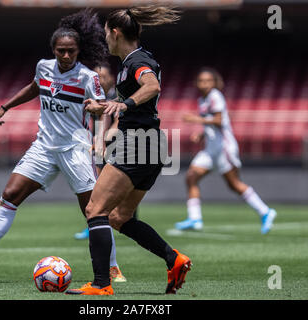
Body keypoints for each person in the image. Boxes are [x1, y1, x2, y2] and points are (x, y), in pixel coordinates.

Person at [0, 9, 126, 281]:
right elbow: (35, 87)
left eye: (71, 51)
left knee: (94, 210)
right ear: (53, 50)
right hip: (43, 147)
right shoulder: (43, 67)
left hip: (75, 149)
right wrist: (4, 107)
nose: (66, 56)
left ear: (79, 51)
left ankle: (112, 266)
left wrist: (99, 136)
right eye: (61, 51)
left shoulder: (87, 77)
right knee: (10, 194)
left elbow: (102, 108)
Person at [66, 6, 191, 296]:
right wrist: (105, 106)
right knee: (118, 217)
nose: (105, 39)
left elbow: (152, 86)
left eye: (106, 33)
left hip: (136, 144)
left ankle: (101, 284)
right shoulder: (127, 64)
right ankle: (174, 259)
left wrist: (125, 105)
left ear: (116, 32)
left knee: (95, 210)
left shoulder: (138, 60)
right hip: (152, 146)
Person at [174, 67, 277, 234]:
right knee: (191, 177)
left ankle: (265, 211)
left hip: (224, 148)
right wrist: (201, 135)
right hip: (211, 149)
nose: (204, 84)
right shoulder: (203, 100)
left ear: (214, 83)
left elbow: (219, 120)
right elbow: (212, 123)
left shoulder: (215, 96)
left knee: (234, 184)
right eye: (201, 81)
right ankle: (195, 218)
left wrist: (195, 119)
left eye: (208, 81)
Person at [74, 64, 138, 244]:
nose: (100, 80)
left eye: (103, 76)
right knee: (99, 183)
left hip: (121, 141)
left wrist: (103, 138)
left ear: (111, 77)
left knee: (120, 186)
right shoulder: (94, 96)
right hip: (103, 142)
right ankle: (96, 223)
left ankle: (124, 220)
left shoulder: (115, 95)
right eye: (97, 77)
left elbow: (115, 120)